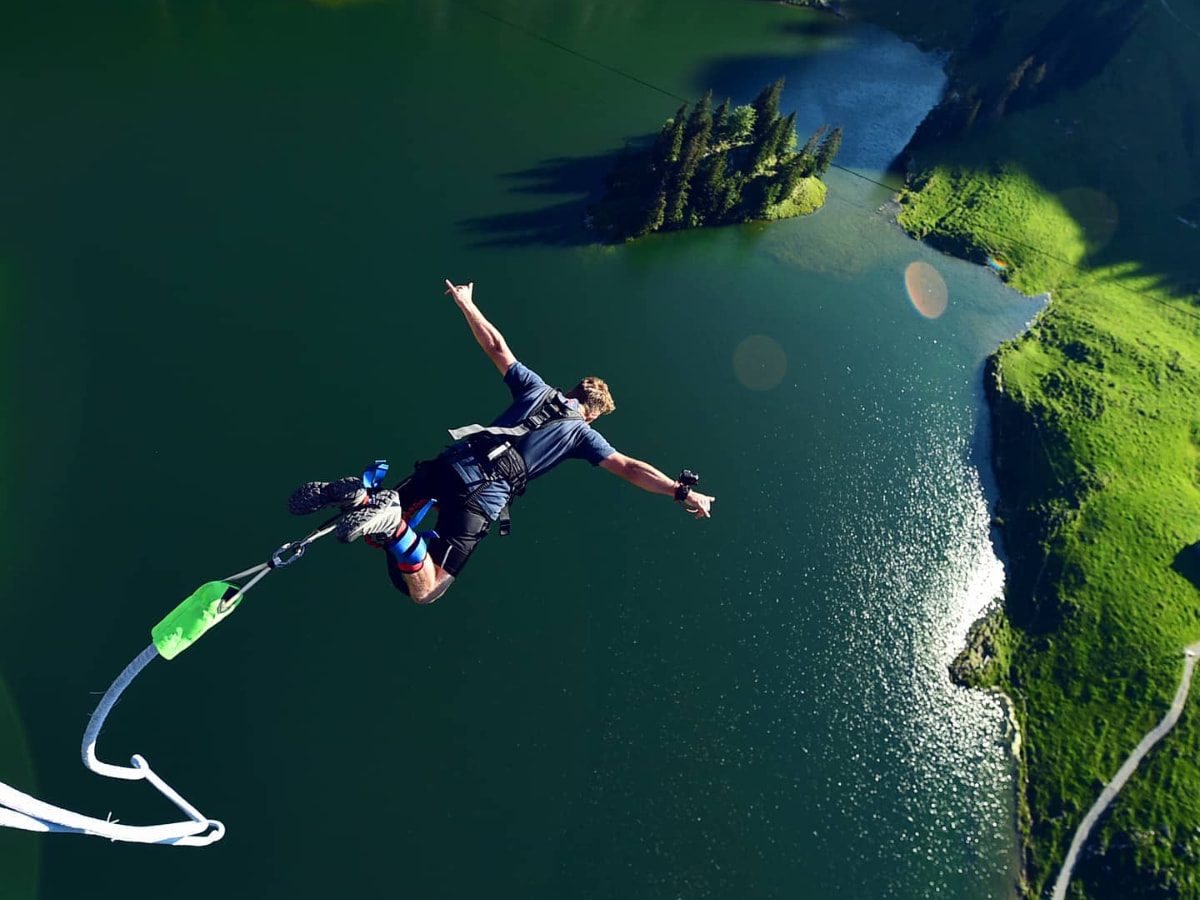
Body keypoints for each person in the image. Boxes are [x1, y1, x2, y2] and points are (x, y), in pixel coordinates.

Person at [288, 279, 715, 604]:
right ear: (592, 411)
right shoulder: (582, 433)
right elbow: (629, 467)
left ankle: (365, 498)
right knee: (427, 587)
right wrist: (680, 491)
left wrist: (466, 302)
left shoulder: (535, 388)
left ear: (573, 391)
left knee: (379, 526)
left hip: (450, 463)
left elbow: (497, 346)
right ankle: (394, 524)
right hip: (482, 494)